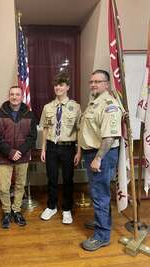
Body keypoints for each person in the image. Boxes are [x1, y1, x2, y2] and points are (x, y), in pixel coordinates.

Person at [78, 69, 122, 251]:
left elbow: (109, 137)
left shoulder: (109, 104)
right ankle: (101, 223)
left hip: (101, 155)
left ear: (107, 84)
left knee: (100, 196)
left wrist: (98, 159)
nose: (93, 84)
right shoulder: (95, 102)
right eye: (91, 81)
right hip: (93, 153)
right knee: (99, 193)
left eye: (97, 81)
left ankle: (102, 236)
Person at [0, 86, 37, 229]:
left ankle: (16, 211)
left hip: (22, 157)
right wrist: (10, 152)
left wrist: (20, 151)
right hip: (5, 157)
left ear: (22, 96)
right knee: (4, 188)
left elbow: (32, 137)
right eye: (12, 94)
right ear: (9, 96)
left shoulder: (29, 114)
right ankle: (6, 212)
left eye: (17, 94)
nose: (15, 97)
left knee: (19, 185)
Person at [39, 73, 82, 224]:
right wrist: (43, 149)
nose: (58, 87)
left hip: (68, 148)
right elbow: (45, 128)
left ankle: (66, 209)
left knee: (68, 179)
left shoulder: (75, 107)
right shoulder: (48, 107)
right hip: (51, 146)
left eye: (61, 85)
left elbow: (79, 130)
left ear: (67, 87)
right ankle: (51, 207)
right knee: (51, 178)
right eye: (56, 85)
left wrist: (78, 151)